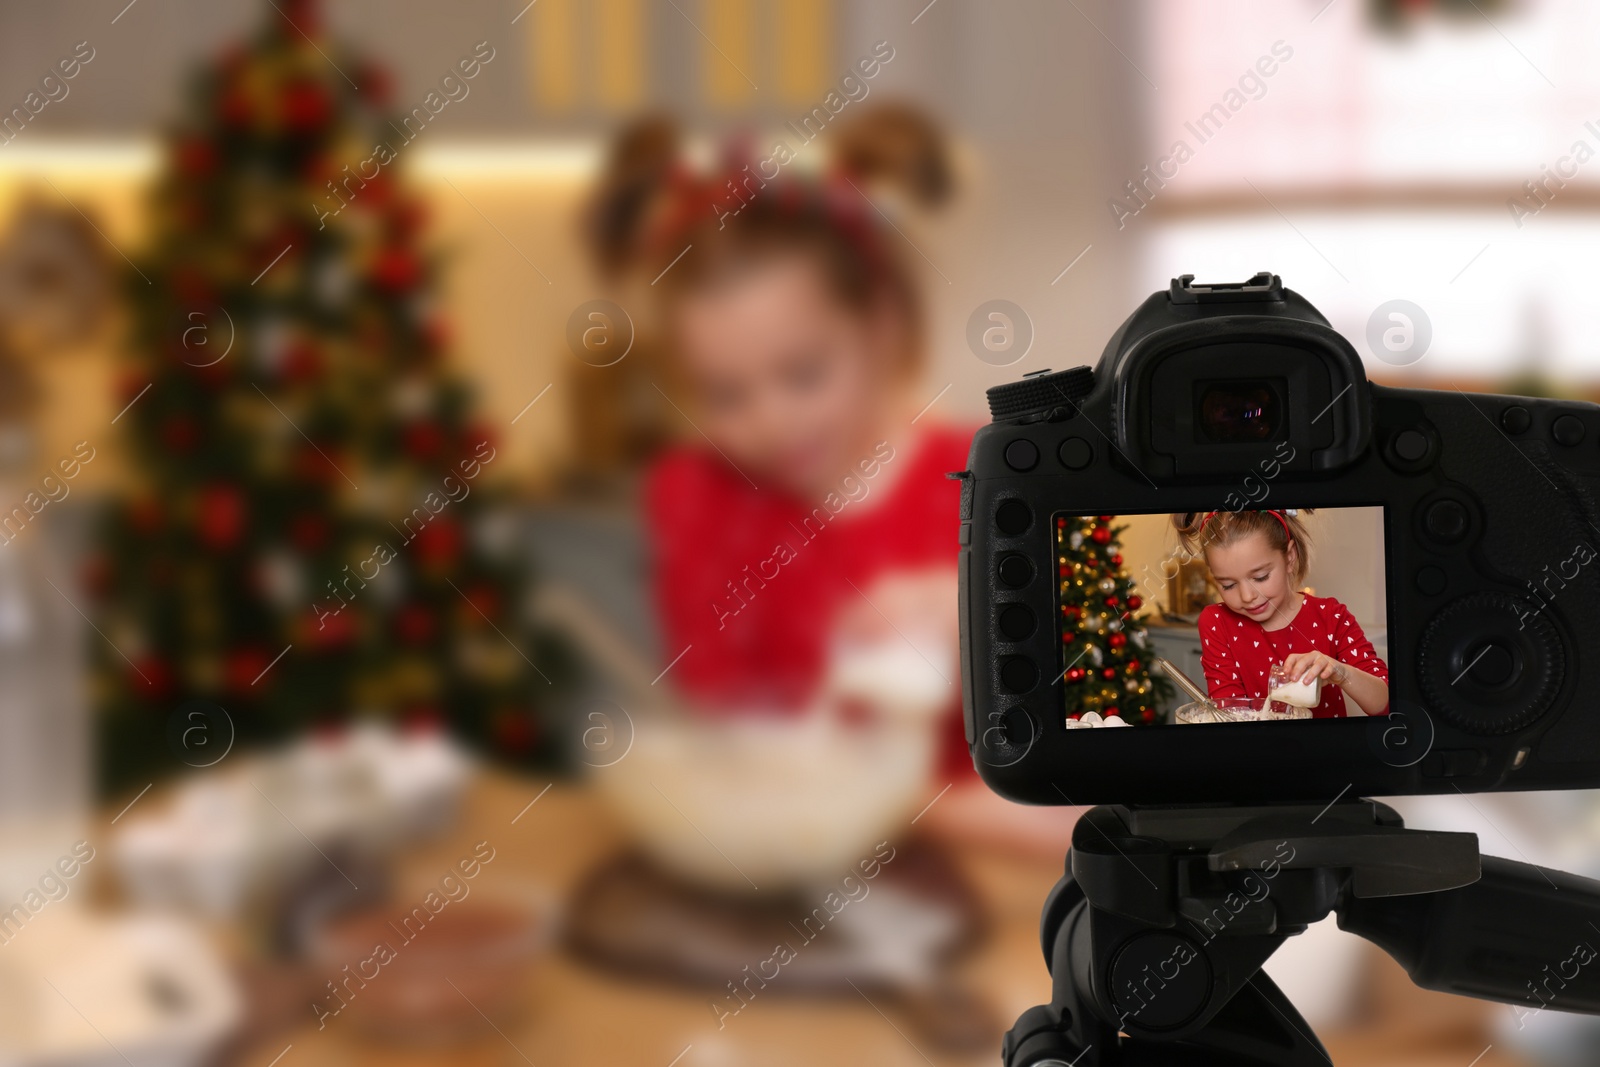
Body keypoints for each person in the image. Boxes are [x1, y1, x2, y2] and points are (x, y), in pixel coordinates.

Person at [584, 105, 1076, 854]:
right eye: (725, 393)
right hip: (797, 864)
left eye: (804, 374)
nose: (771, 420)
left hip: (980, 864)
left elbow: (1088, 724)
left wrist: (991, 612)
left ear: (879, 326)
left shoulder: (990, 479)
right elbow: (725, 733)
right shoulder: (696, 497)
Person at [1170, 509, 1389, 717]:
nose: (1247, 596)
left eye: (1261, 577)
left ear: (1290, 558)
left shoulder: (1331, 616)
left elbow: (1385, 703)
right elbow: (1228, 715)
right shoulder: (1217, 621)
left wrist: (1342, 673)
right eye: (1228, 585)